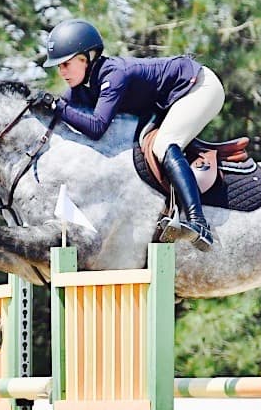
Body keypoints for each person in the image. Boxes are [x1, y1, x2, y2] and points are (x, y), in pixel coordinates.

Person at [40, 18, 224, 251]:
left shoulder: (114, 75)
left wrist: (57, 106)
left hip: (199, 86)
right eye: (58, 66)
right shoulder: (83, 85)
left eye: (65, 64)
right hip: (166, 102)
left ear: (85, 58)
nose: (61, 72)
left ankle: (199, 223)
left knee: (164, 144)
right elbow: (61, 108)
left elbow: (96, 127)